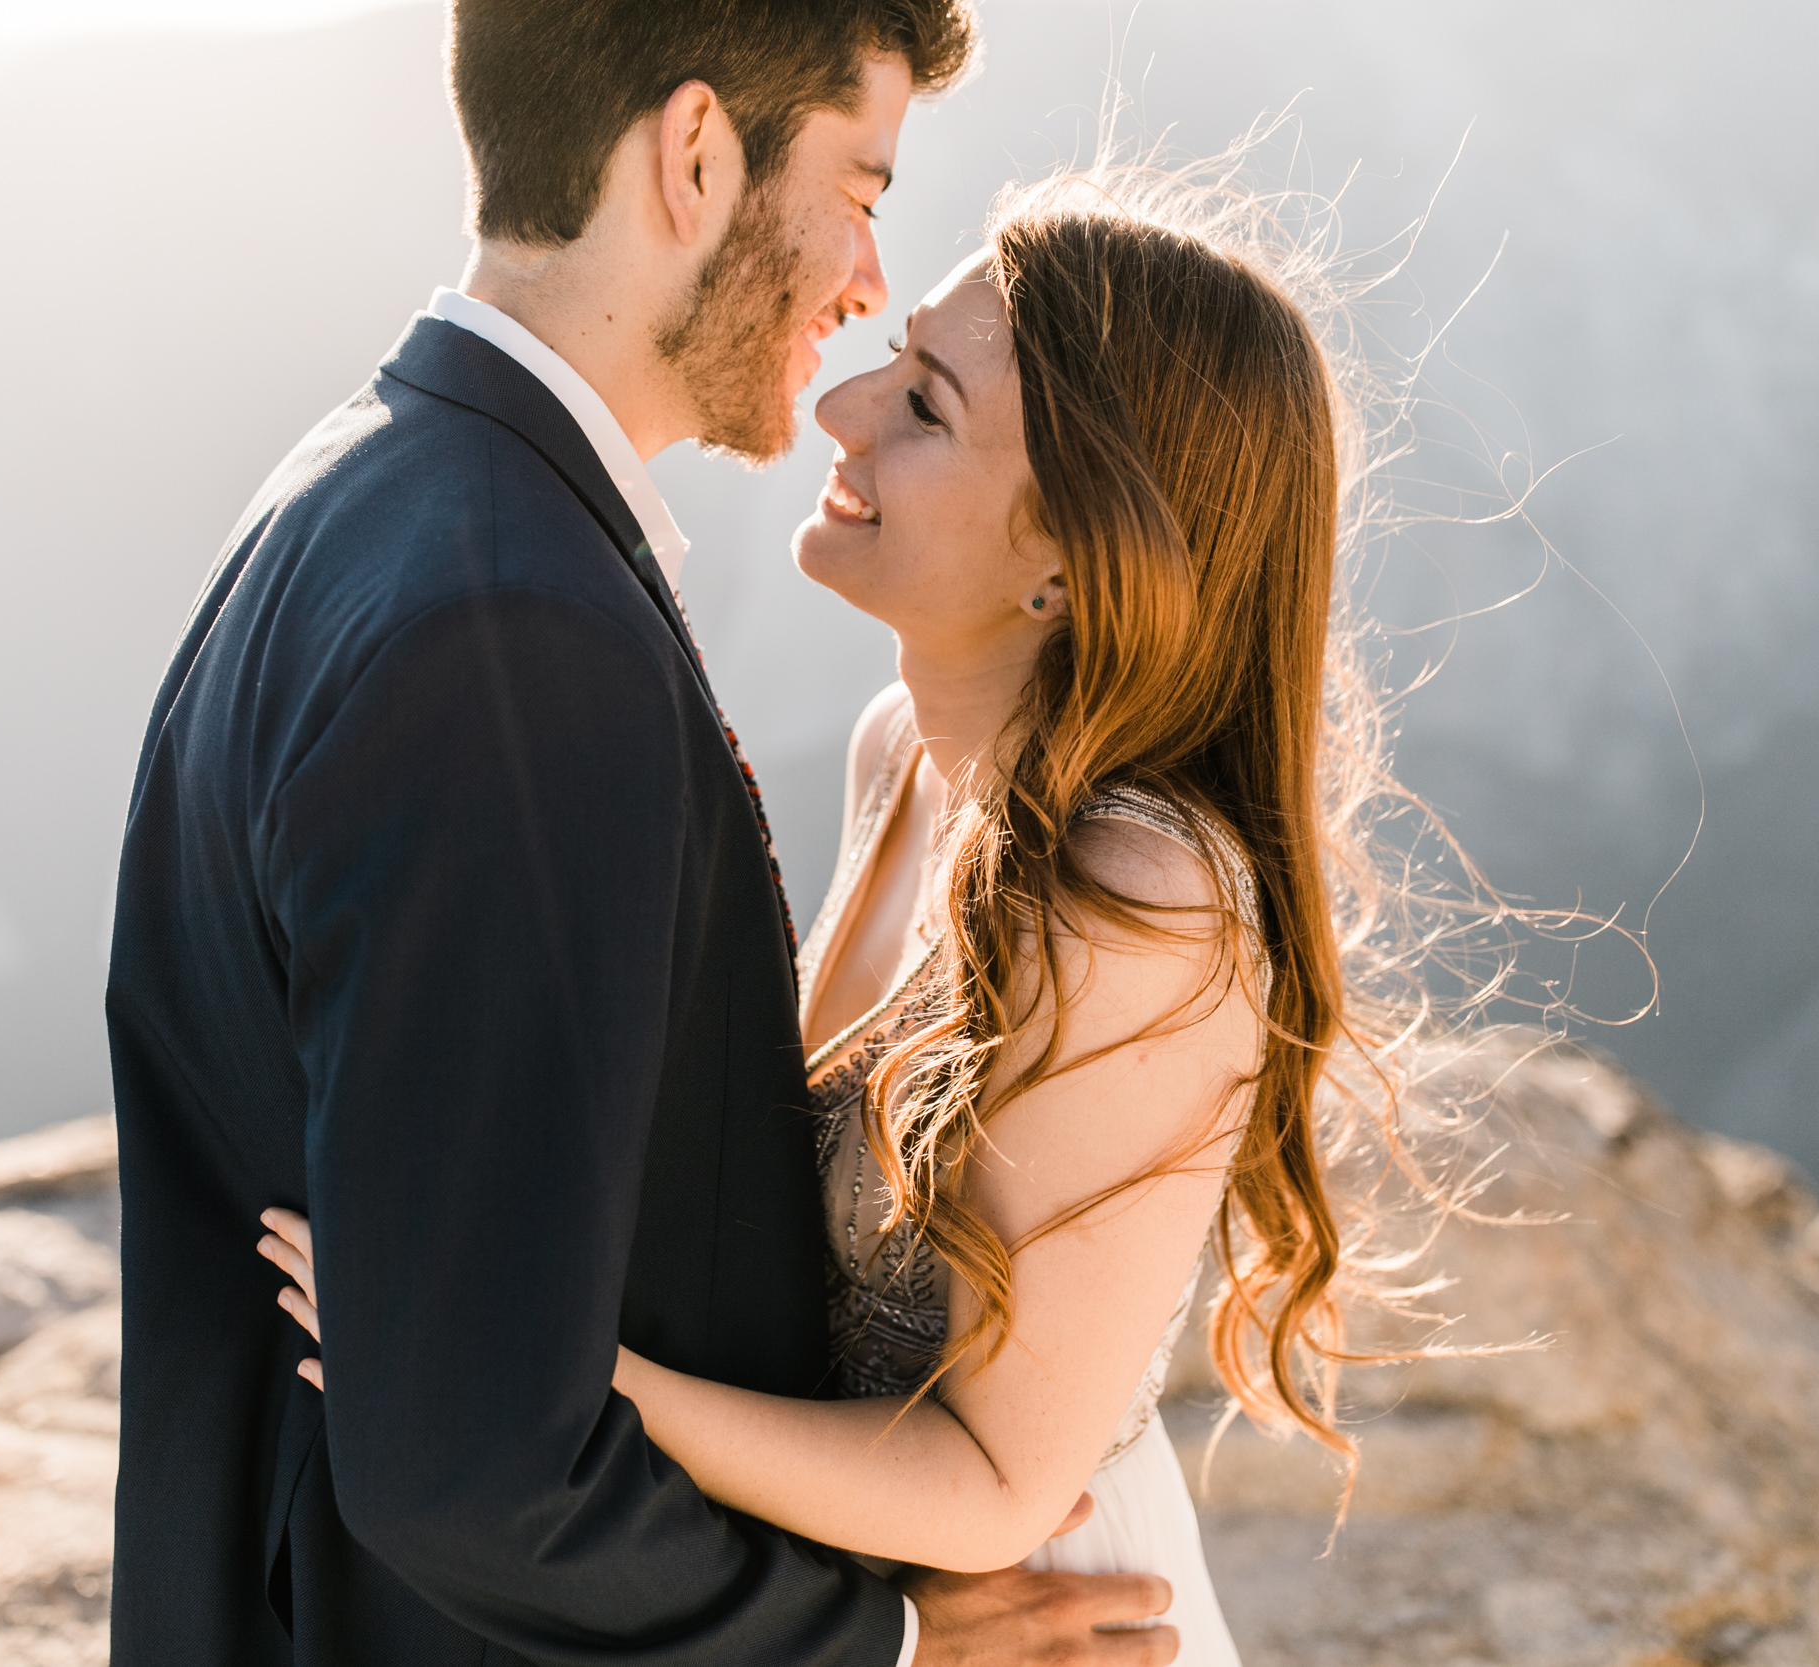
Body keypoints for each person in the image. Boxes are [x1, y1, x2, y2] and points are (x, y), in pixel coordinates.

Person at [105, 0, 1179, 1661]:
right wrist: (894, 1650)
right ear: (695, 155)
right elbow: (475, 1467)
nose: (864, 288)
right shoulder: (512, 630)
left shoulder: (365, 496)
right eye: (864, 193)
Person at [264, 164, 1404, 1666]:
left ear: (1071, 555)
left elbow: (999, 1482)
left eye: (926, 406)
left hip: (1037, 1618)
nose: (843, 413)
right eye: (894, 363)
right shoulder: (898, 753)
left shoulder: (1140, 901)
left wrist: (541, 1381)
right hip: (858, 1593)